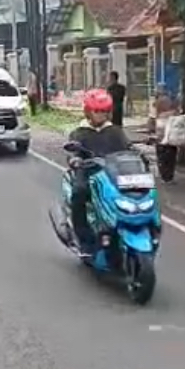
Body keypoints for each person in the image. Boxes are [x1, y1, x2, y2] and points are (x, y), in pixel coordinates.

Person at [67, 89, 133, 254]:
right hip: (89, 173)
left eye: (104, 112)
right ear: (88, 112)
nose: (100, 115)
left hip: (113, 173)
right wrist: (76, 160)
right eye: (97, 111)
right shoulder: (80, 132)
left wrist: (138, 152)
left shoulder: (115, 132)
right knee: (79, 193)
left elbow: (128, 147)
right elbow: (73, 151)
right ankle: (85, 240)